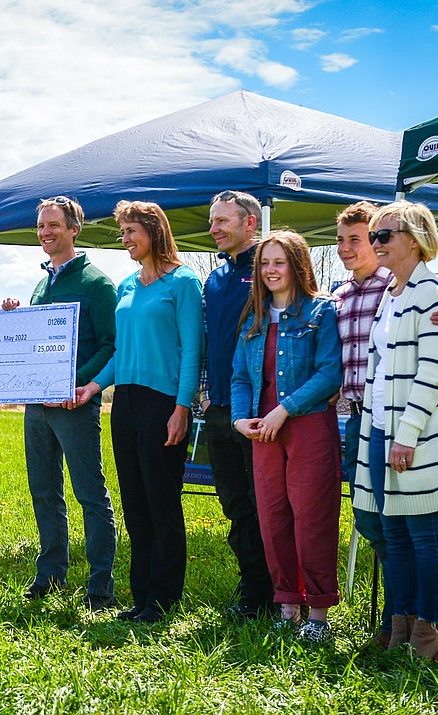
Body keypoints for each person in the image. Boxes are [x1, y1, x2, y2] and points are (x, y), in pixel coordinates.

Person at [332, 201, 438, 646]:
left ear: (414, 238)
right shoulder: (391, 294)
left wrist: (406, 437)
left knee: (424, 534)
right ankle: (399, 625)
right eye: (372, 236)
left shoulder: (430, 291)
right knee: (392, 532)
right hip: (376, 430)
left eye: (383, 236)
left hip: (418, 436)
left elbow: (433, 371)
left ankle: (428, 632)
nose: (376, 243)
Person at [76, 201, 203, 622]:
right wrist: (93, 386)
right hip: (125, 403)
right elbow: (122, 351)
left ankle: (164, 599)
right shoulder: (127, 285)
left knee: (161, 501)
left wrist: (182, 407)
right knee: (134, 502)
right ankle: (141, 596)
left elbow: (192, 352)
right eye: (123, 232)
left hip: (162, 403)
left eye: (132, 231)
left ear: (154, 231)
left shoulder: (183, 283)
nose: (126, 239)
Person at [1, 196, 118, 610]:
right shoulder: (40, 284)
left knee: (89, 493)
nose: (46, 233)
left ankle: (100, 585)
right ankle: (50, 575)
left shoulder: (97, 284)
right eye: (41, 227)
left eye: (54, 225)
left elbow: (111, 345)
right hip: (37, 406)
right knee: (43, 491)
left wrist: (81, 384)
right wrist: (16, 319)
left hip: (75, 405)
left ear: (74, 229)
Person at [230, 230, 342, 643]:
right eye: (264, 263)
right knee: (273, 516)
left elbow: (330, 372)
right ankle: (288, 605)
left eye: (279, 262)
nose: (270, 270)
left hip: (308, 424)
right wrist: (241, 418)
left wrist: (284, 409)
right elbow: (241, 376)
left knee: (312, 516)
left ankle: (318, 614)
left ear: (297, 265)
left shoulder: (320, 311)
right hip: (263, 431)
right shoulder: (253, 318)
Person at [201, 190, 274, 618]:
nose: (214, 229)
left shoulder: (268, 270)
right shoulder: (214, 279)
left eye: (222, 221)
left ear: (250, 223)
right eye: (212, 221)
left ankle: (276, 592)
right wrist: (207, 397)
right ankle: (252, 590)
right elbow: (211, 344)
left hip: (259, 412)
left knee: (263, 502)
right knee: (235, 504)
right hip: (220, 410)